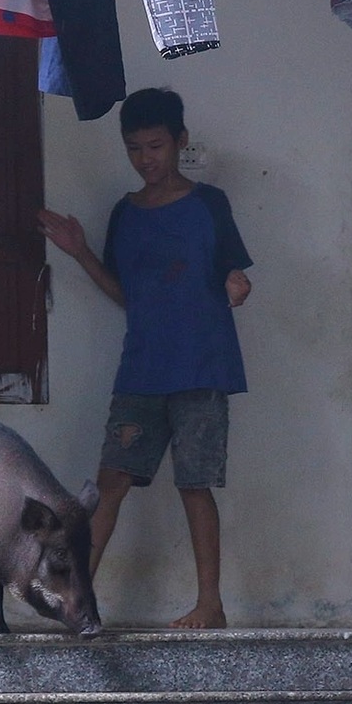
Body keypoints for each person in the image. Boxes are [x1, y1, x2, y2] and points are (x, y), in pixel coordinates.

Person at [38, 87, 253, 629]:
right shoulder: (125, 214)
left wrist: (236, 283)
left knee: (193, 483)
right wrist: (80, 251)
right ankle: (76, 601)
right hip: (142, 370)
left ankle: (210, 604)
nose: (145, 159)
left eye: (155, 146)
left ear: (179, 142)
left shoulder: (209, 205)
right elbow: (126, 294)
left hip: (201, 367)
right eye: (134, 148)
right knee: (110, 483)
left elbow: (232, 273)